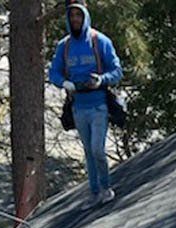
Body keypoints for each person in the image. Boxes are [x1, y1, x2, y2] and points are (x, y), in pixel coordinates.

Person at [48, 3, 123, 205]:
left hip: (99, 104)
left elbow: (117, 71)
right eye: (71, 15)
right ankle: (94, 192)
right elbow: (53, 72)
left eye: (78, 15)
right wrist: (65, 83)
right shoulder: (64, 46)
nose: (75, 19)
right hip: (78, 106)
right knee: (88, 152)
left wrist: (101, 79)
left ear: (85, 17)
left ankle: (106, 188)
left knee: (98, 149)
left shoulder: (100, 42)